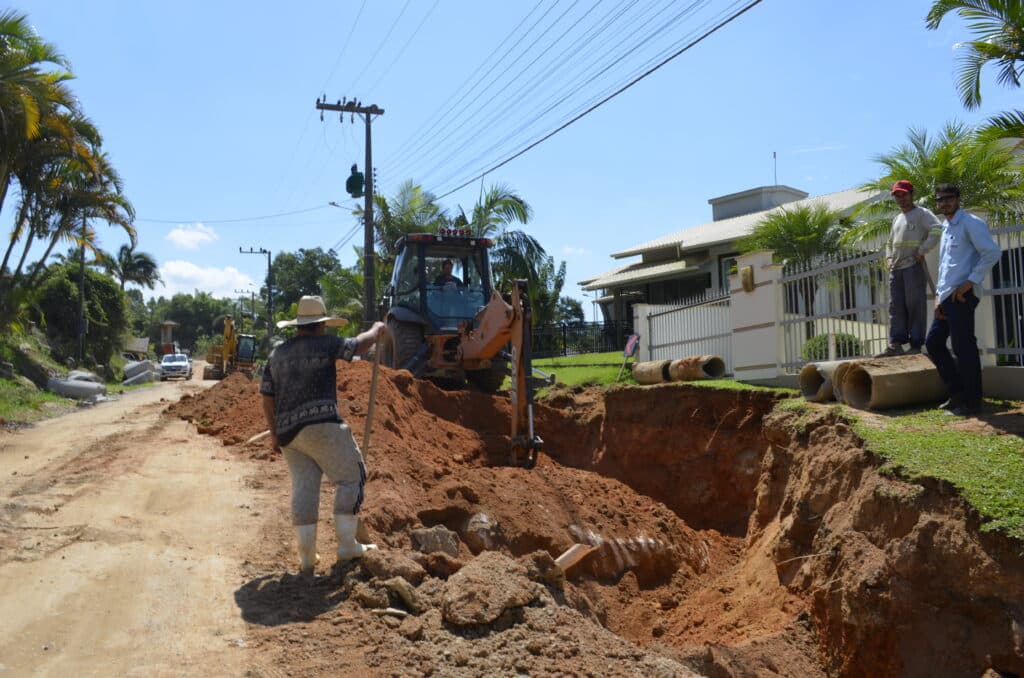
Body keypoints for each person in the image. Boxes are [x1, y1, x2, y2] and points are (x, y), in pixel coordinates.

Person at [260, 295, 386, 575]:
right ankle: (346, 545)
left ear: (298, 325)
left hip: (289, 434)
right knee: (351, 475)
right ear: (320, 325)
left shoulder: (276, 355)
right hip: (323, 425)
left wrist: (273, 434)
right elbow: (358, 346)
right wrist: (376, 330)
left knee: (304, 487)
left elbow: (267, 398)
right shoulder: (325, 344)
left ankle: (307, 558)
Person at [924, 184, 1001, 417]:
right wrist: (938, 298)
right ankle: (957, 394)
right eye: (940, 199)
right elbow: (946, 268)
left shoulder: (971, 222)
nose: (944, 203)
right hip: (947, 296)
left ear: (958, 199)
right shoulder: (946, 227)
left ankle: (972, 402)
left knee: (963, 346)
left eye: (948, 198)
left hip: (963, 295)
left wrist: (970, 282)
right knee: (934, 343)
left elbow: (992, 252)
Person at [876, 180, 942, 357]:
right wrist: (889, 258)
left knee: (915, 306)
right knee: (896, 307)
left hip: (913, 267)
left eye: (904, 194)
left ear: (912, 195)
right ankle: (896, 344)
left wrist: (922, 250)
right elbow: (890, 242)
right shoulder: (897, 219)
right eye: (897, 195)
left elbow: (937, 229)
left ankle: (916, 345)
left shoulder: (921, 213)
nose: (901, 198)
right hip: (896, 269)